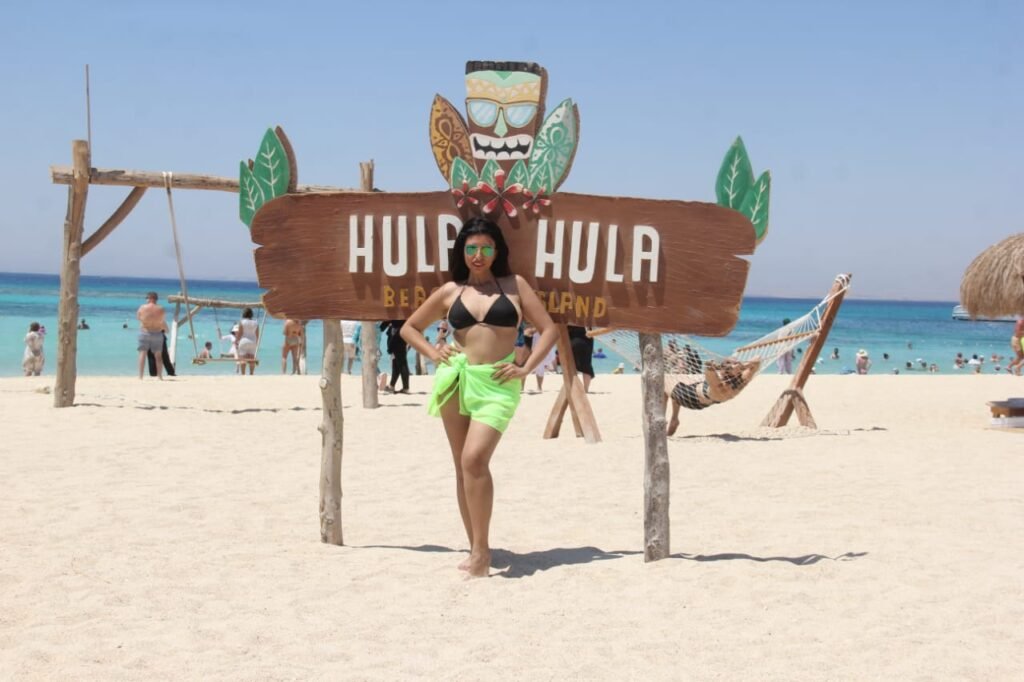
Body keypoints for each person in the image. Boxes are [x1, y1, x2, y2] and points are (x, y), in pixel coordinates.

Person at [400, 216, 558, 578]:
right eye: (471, 248)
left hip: (498, 384)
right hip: (456, 380)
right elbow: (410, 328)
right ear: (462, 251)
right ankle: (476, 547)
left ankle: (482, 552)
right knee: (463, 467)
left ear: (497, 251)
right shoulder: (450, 291)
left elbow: (549, 329)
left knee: (474, 459)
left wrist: (526, 367)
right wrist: (433, 352)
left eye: (486, 248)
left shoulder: (514, 285)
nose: (478, 255)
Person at [665, 358, 761, 435]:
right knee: (676, 383)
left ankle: (667, 420)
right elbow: (757, 360)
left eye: (736, 363)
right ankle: (674, 418)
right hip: (698, 395)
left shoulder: (721, 388)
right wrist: (743, 366)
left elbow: (709, 371)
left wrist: (717, 367)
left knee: (664, 382)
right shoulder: (741, 381)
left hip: (690, 397)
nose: (736, 364)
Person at [136, 291, 167, 380]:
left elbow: (138, 317)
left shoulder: (142, 307)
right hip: (157, 333)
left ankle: (140, 376)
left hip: (145, 332)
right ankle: (160, 376)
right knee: (158, 355)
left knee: (142, 354)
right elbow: (162, 320)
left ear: (150, 298)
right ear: (156, 299)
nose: (146, 300)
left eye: (146, 298)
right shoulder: (161, 308)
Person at [380, 320, 410, 393]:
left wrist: (381, 327)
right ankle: (392, 385)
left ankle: (405, 387)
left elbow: (385, 324)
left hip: (396, 336)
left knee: (401, 363)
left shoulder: (395, 315)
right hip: (404, 333)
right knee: (397, 362)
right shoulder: (404, 315)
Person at [568, 325, 595, 392]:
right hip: (585, 336)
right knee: (586, 364)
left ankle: (572, 386)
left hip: (570, 336)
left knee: (571, 364)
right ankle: (586, 389)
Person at [237, 307, 259, 375]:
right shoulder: (256, 323)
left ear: (244, 314)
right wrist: (256, 343)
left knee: (243, 359)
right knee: (252, 358)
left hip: (243, 341)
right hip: (252, 342)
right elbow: (257, 335)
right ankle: (251, 373)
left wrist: (236, 341)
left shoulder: (242, 322)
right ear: (251, 314)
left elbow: (240, 333)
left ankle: (243, 374)